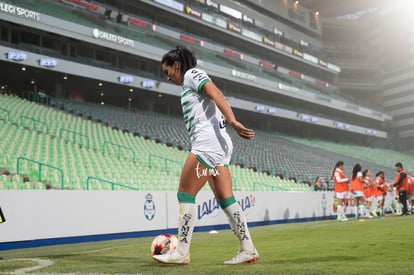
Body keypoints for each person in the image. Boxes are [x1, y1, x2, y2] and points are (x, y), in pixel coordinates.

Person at [153, 46, 259, 265]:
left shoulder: (192, 74)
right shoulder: (189, 83)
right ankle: (248, 248)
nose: (167, 77)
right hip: (218, 146)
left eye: (167, 71)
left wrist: (233, 121)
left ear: (177, 65)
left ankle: (181, 252)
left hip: (208, 145)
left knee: (185, 193)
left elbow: (216, 93)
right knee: (226, 199)